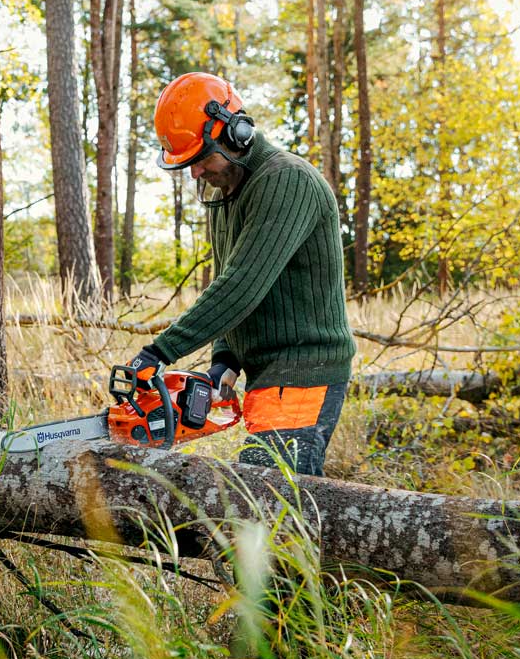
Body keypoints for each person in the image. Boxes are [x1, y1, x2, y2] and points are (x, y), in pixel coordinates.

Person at [128, 71, 355, 477]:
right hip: (269, 374)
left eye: (200, 159)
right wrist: (224, 359)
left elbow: (243, 285)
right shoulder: (224, 195)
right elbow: (228, 281)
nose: (195, 173)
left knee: (266, 500)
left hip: (304, 369)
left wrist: (159, 352)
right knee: (269, 500)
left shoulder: (287, 181)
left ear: (236, 132)